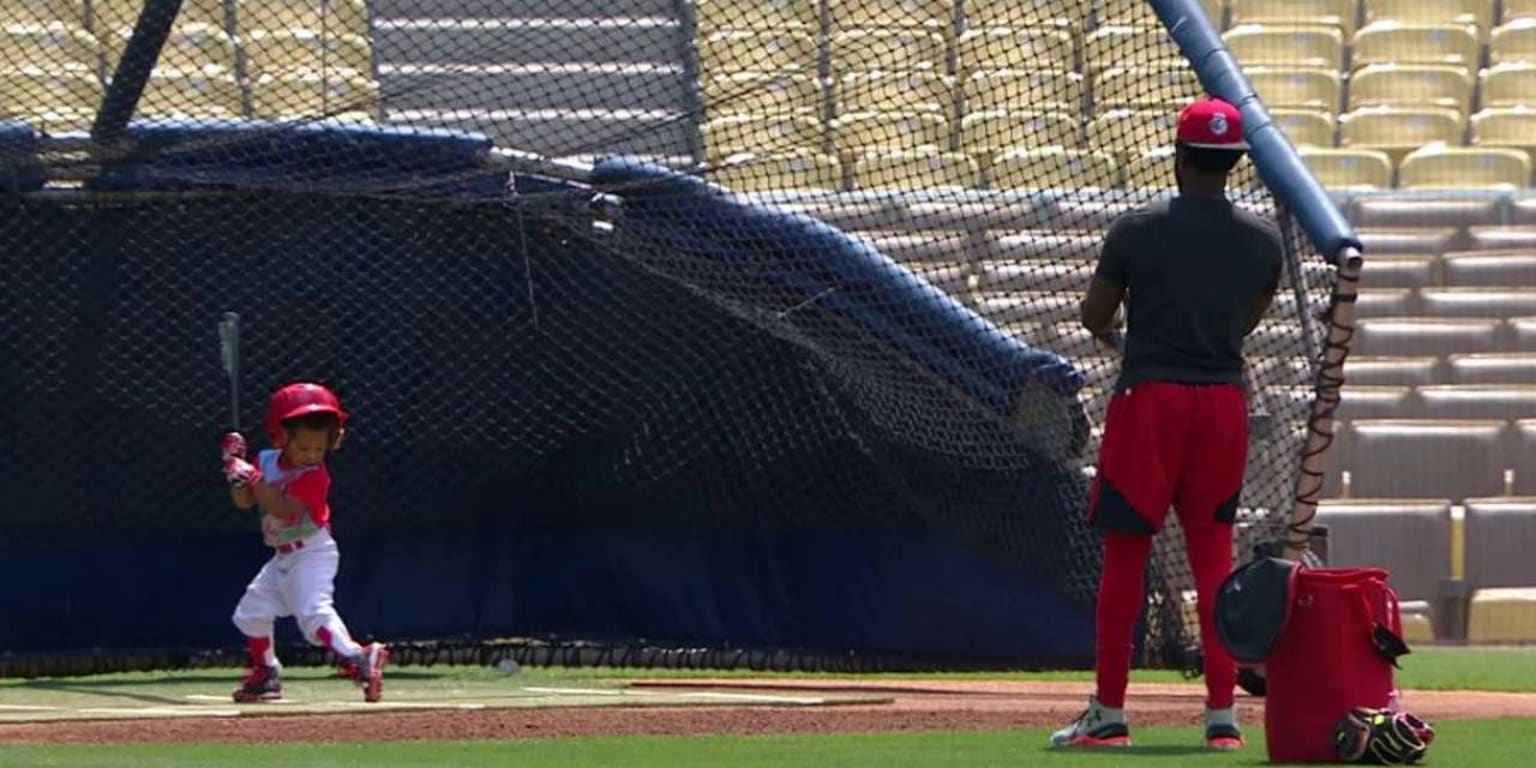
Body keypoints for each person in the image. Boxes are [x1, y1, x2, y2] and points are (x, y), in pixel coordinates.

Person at [1050, 96, 1283, 750]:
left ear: (1179, 159)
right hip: (1222, 404)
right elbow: (1247, 319)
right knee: (1214, 559)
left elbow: (1094, 316)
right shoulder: (1261, 242)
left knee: (1126, 556)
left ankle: (1109, 714)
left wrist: (1130, 336)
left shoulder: (1136, 229)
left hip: (1150, 398)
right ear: (1233, 163)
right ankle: (1221, 720)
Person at [221, 381, 388, 703]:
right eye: (304, 448)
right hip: (283, 556)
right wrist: (233, 471)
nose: (312, 455)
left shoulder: (316, 476)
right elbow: (244, 501)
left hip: (313, 552)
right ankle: (266, 674)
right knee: (250, 613)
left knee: (313, 614)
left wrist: (252, 478)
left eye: (319, 449)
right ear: (281, 437)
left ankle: (357, 657)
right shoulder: (267, 460)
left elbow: (283, 510)